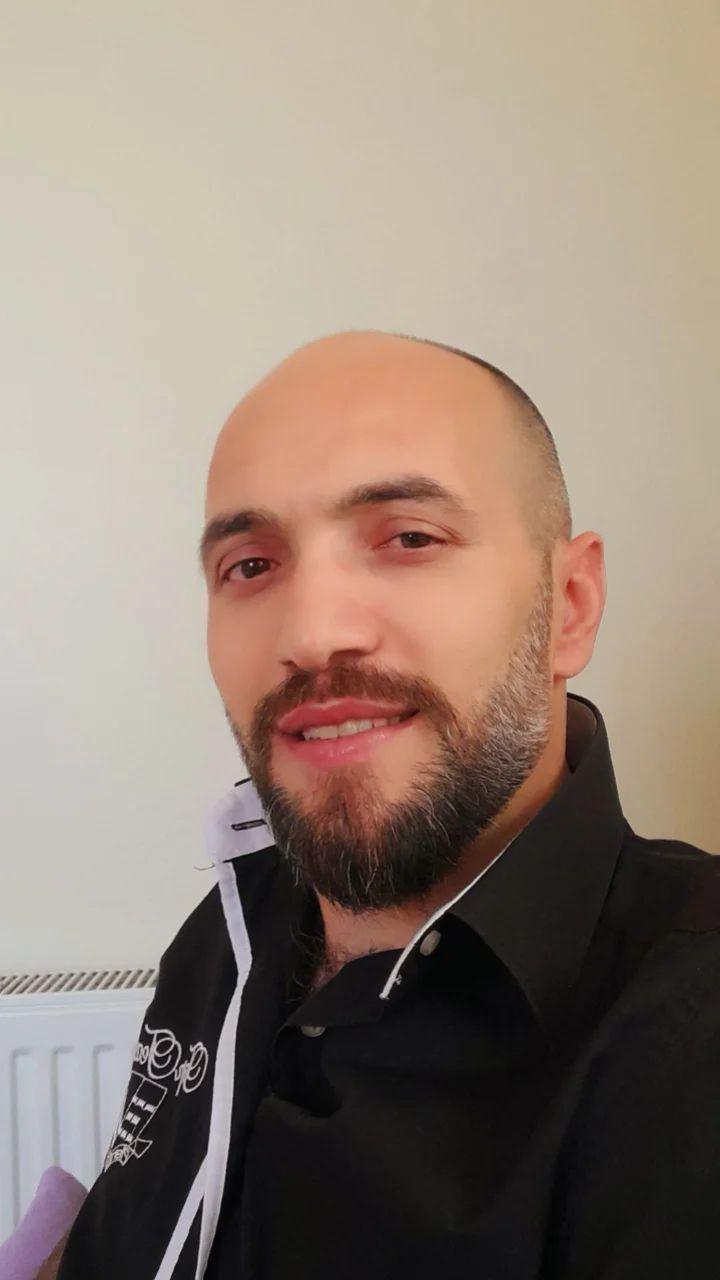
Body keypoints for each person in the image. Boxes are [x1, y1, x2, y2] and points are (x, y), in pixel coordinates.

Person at [51, 331, 719, 1280]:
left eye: (410, 538)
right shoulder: (231, 924)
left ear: (569, 604)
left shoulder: (688, 1048)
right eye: (251, 565)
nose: (311, 632)